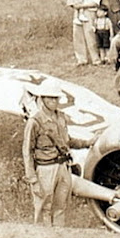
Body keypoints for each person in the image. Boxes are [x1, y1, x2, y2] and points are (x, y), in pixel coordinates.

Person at [22, 79, 94, 225]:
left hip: (63, 167)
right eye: (50, 97)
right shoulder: (34, 121)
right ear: (42, 98)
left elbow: (67, 141)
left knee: (61, 206)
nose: (53, 101)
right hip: (45, 169)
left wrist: (87, 143)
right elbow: (27, 152)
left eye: (56, 97)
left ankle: (59, 237)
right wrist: (32, 179)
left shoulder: (61, 117)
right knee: (44, 207)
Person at [70, 0, 102, 66]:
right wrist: (76, 6)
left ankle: (95, 59)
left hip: (89, 13)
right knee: (78, 36)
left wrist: (82, 5)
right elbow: (72, 1)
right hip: (78, 13)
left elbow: (95, 3)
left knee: (90, 36)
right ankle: (81, 59)